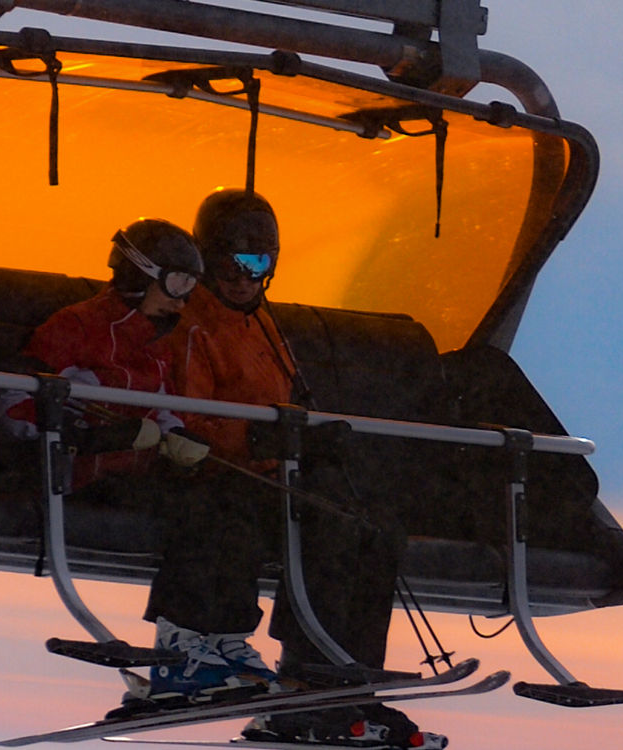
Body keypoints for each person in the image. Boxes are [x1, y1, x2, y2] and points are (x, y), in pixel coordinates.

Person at [178, 188, 433, 749]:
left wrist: (311, 439)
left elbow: (287, 401)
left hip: (270, 469)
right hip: (217, 475)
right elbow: (188, 418)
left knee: (376, 528)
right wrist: (260, 438)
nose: (243, 278)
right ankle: (306, 669)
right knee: (328, 523)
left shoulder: (263, 326)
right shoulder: (192, 324)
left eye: (257, 264)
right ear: (205, 261)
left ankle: (353, 678)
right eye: (229, 264)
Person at [0, 219, 275, 715]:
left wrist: (178, 437)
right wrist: (106, 435)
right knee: (198, 509)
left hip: (138, 471)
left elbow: (162, 405)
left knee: (236, 499)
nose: (182, 301)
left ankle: (225, 638)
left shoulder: (156, 342)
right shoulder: (75, 328)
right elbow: (16, 410)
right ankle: (179, 647)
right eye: (176, 284)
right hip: (86, 474)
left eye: (191, 287)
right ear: (137, 276)